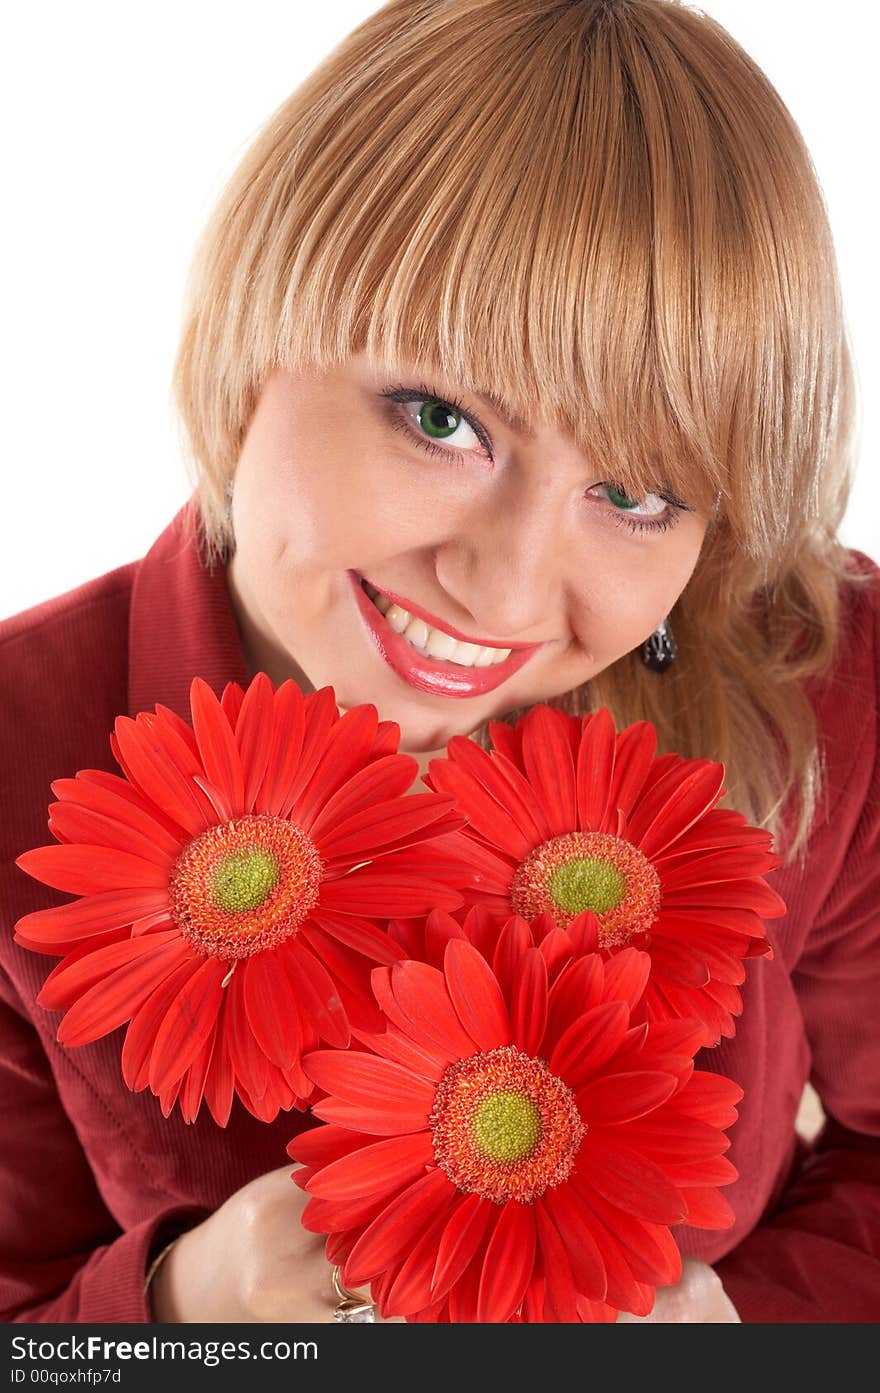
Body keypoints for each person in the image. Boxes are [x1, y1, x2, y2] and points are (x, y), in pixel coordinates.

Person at [1, 0, 877, 1325]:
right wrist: (178, 1312)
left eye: (638, 491)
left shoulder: (828, 682)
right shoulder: (18, 745)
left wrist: (749, 1335)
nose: (509, 584)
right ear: (256, 333)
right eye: (442, 417)